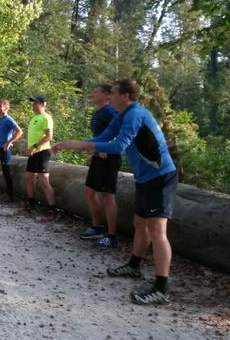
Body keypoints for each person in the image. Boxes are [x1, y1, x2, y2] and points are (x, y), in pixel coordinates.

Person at [52, 79, 177, 306]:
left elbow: (119, 146)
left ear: (126, 96)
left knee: (157, 230)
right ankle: (133, 267)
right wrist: (76, 143)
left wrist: (83, 145)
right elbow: (104, 137)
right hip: (145, 178)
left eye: (115, 94)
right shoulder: (122, 115)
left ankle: (161, 288)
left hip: (161, 177)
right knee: (140, 223)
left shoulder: (135, 114)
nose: (111, 97)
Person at [79, 84, 122, 248]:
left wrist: (108, 147)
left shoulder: (110, 111)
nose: (93, 94)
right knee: (89, 191)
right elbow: (101, 135)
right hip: (98, 156)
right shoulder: (99, 112)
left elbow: (119, 130)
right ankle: (97, 227)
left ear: (107, 95)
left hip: (109, 158)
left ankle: (111, 236)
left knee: (107, 196)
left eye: (96, 92)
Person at [25, 95, 60, 221]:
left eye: (36, 103)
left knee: (44, 181)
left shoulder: (46, 117)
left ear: (43, 104)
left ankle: (53, 209)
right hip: (33, 153)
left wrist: (34, 146)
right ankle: (30, 203)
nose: (33, 105)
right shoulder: (34, 117)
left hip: (42, 151)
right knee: (29, 178)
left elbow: (49, 136)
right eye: (33, 102)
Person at [0, 99, 22, 201]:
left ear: (6, 108)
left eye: (0, 106)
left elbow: (19, 132)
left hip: (5, 149)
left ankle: (10, 196)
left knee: (6, 171)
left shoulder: (9, 120)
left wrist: (9, 142)